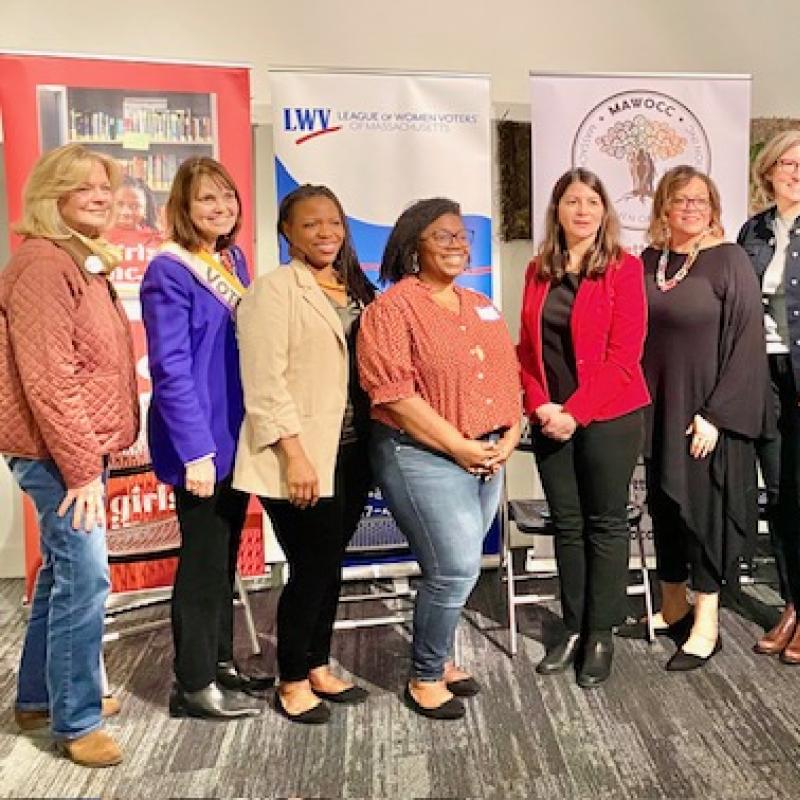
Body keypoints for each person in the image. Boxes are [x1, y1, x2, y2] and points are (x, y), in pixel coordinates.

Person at [0, 143, 139, 767]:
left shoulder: (81, 262)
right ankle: (76, 720)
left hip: (75, 451)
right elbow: (48, 376)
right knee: (86, 579)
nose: (101, 197)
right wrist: (83, 469)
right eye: (85, 188)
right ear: (51, 196)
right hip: (59, 456)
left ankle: (39, 699)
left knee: (61, 578)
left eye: (106, 188)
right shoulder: (42, 265)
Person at [358, 198, 521, 720]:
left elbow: (506, 375)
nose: (457, 245)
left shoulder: (479, 304)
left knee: (450, 569)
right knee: (455, 567)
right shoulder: (392, 310)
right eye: (443, 236)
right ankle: (425, 675)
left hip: (487, 450)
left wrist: (512, 432)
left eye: (461, 236)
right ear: (413, 248)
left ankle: (441, 660)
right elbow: (394, 397)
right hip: (422, 455)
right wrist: (459, 445)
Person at [234, 184, 375, 724]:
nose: (325, 233)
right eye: (311, 223)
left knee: (330, 564)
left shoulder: (354, 289)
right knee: (312, 566)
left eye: (334, 223)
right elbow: (263, 383)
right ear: (286, 231)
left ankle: (316, 663)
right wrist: (294, 455)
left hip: (354, 450)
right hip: (300, 454)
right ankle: (291, 678)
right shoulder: (273, 291)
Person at [140, 157, 270, 720]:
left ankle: (220, 664)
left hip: (235, 431)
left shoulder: (231, 259)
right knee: (200, 564)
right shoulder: (168, 271)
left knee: (222, 561)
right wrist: (195, 450)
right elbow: (169, 367)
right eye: (206, 202)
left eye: (227, 198)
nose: (221, 209)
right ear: (183, 210)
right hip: (198, 441)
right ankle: (191, 684)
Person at [517, 169, 649, 688]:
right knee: (566, 525)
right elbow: (527, 349)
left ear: (604, 211)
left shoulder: (623, 269)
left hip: (609, 416)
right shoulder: (537, 270)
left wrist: (576, 412)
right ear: (557, 210)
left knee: (605, 524)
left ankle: (600, 633)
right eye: (572, 201)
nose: (582, 210)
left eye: (592, 201)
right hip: (551, 416)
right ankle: (572, 626)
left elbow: (624, 356)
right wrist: (541, 406)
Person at [633, 165, 767, 670]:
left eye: (700, 200)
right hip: (657, 407)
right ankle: (672, 606)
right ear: (662, 207)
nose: (691, 208)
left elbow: (747, 342)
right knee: (665, 506)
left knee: (704, 514)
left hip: (707, 414)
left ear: (712, 207)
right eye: (680, 200)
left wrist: (715, 414)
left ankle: (707, 620)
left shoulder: (729, 260)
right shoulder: (647, 260)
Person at [738, 130, 800, 662]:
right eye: (788, 161)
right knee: (779, 493)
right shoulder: (752, 229)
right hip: (765, 374)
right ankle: (792, 602)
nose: (796, 171)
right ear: (769, 169)